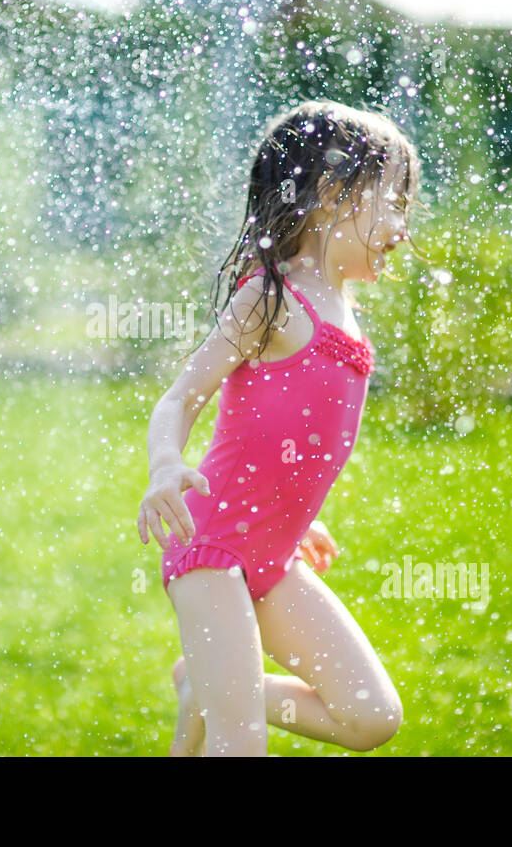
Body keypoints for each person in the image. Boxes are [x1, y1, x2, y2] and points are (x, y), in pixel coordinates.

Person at [137, 100, 422, 756]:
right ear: (329, 197)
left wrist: (291, 513)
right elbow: (181, 398)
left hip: (273, 551)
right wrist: (164, 467)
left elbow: (289, 440)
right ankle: (220, 699)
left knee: (372, 716)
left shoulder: (345, 316)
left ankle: (204, 689)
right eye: (392, 202)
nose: (401, 228)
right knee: (241, 745)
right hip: (210, 545)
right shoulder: (271, 300)